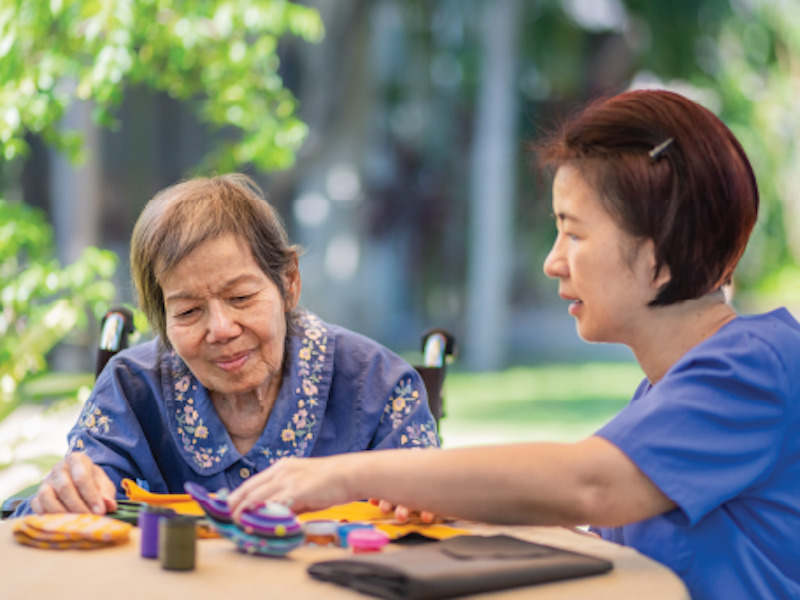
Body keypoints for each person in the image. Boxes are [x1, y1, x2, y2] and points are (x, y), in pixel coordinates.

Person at [225, 90, 800, 599]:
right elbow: (606, 531)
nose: (553, 262)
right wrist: (459, 497)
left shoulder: (756, 367)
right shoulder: (669, 388)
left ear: (659, 251)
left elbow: (589, 484)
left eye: (573, 232)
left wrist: (350, 474)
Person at [15, 174, 439, 516]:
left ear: (289, 282)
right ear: (161, 319)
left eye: (241, 298)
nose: (220, 328)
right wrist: (63, 495)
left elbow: (434, 511)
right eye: (188, 312)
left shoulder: (378, 385)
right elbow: (66, 509)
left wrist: (422, 499)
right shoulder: (131, 389)